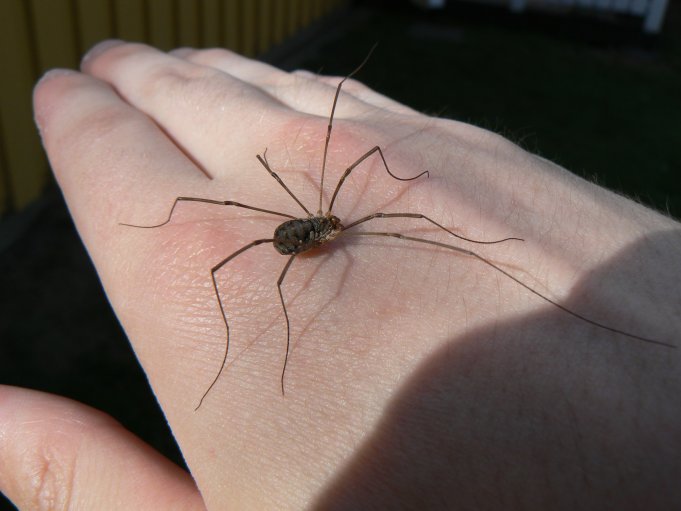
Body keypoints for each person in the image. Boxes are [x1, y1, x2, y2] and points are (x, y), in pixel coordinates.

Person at [1, 39, 679, 509]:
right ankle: (269, 332)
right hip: (284, 240)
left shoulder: (336, 221)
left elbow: (360, 174)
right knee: (234, 240)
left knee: (375, 192)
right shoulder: (305, 234)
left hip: (305, 229)